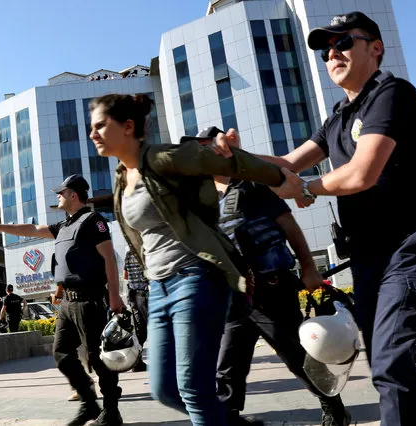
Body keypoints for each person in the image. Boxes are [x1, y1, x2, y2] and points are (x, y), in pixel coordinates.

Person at [215, 11, 416, 425]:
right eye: (326, 49)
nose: (332, 53)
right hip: (368, 255)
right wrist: (234, 157)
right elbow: (286, 162)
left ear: (375, 48)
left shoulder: (391, 94)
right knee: (388, 360)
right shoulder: (337, 117)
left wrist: (305, 188)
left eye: (344, 42)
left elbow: (363, 172)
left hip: (408, 248)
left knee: (390, 361)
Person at [87, 94, 300, 425]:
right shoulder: (121, 177)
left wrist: (281, 178)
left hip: (195, 276)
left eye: (101, 125)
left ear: (128, 127)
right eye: (92, 127)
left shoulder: (162, 157)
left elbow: (222, 160)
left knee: (194, 389)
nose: (93, 134)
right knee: (163, 389)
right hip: (158, 287)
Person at [205, 129, 349, 426]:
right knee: (228, 362)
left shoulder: (253, 188)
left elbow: (290, 228)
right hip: (234, 294)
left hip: (270, 288)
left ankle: (332, 405)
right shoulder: (203, 199)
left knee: (296, 355)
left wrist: (308, 267)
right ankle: (227, 416)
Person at [0, 174, 125, 426]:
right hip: (68, 303)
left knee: (96, 358)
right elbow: (32, 229)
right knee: (61, 354)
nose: (57, 195)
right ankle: (90, 404)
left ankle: (111, 412)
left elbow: (109, 259)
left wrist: (114, 296)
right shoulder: (64, 226)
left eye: (62, 192)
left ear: (74, 194)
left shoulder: (93, 220)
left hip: (90, 299)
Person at [122, 250, 148, 372]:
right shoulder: (144, 251)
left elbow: (125, 275)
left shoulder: (128, 254)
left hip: (132, 294)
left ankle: (137, 362)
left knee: (139, 328)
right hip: (145, 294)